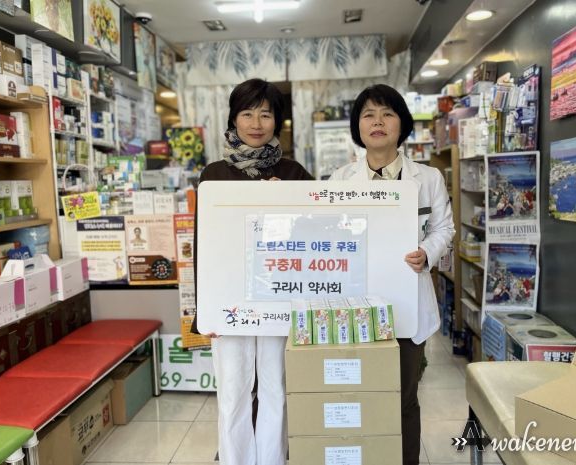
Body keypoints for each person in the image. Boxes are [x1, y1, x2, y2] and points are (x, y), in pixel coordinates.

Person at [330, 84, 455, 465]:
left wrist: (427, 252)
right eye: (368, 114)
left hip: (407, 304)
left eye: (387, 113)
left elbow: (444, 228)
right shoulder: (340, 180)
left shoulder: (427, 178)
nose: (378, 122)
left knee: (403, 399)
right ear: (358, 126)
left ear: (402, 124)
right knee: (358, 394)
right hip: (355, 305)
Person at [192, 78, 313, 465]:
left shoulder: (294, 174)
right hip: (229, 296)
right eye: (247, 113)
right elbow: (203, 242)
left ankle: (273, 459)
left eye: (265, 114)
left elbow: (316, 236)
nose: (256, 123)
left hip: (280, 296)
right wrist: (205, 311)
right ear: (233, 119)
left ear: (278, 120)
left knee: (276, 388)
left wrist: (286, 206)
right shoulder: (213, 174)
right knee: (232, 391)